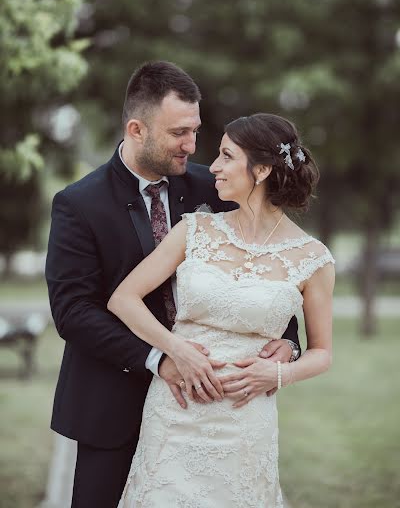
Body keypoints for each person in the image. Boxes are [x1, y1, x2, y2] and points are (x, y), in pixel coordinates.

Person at [45, 62, 300, 508]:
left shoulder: (215, 186)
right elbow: (73, 311)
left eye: (196, 130)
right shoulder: (78, 204)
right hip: (111, 404)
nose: (192, 145)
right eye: (179, 132)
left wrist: (288, 340)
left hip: (207, 412)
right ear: (137, 129)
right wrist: (158, 357)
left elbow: (265, 261)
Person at [108, 112, 335, 508]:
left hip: (246, 420)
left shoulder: (313, 259)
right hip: (175, 412)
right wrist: (174, 350)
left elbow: (322, 353)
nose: (213, 166)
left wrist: (280, 373)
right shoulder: (194, 230)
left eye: (227, 156)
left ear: (261, 170)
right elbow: (123, 299)